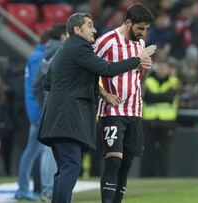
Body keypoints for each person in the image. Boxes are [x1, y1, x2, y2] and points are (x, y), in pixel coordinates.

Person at [38, 12, 156, 203]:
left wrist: (99, 93)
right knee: (71, 167)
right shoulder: (80, 48)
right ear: (77, 29)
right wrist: (137, 59)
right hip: (68, 118)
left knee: (65, 169)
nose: (94, 29)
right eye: (90, 25)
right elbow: (107, 69)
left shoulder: (64, 49)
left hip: (56, 117)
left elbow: (47, 82)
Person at [94, 4, 154, 203]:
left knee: (126, 163)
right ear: (128, 23)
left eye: (146, 29)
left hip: (135, 110)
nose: (143, 34)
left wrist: (145, 69)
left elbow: (138, 79)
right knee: (114, 159)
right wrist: (104, 94)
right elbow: (87, 70)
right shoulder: (107, 41)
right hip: (112, 109)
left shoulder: (140, 45)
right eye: (140, 28)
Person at [15, 24, 67, 201]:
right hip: (39, 110)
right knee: (42, 151)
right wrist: (39, 112)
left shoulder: (35, 55)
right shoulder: (42, 56)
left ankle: (25, 187)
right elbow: (37, 86)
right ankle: (41, 189)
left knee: (33, 151)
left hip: (35, 110)